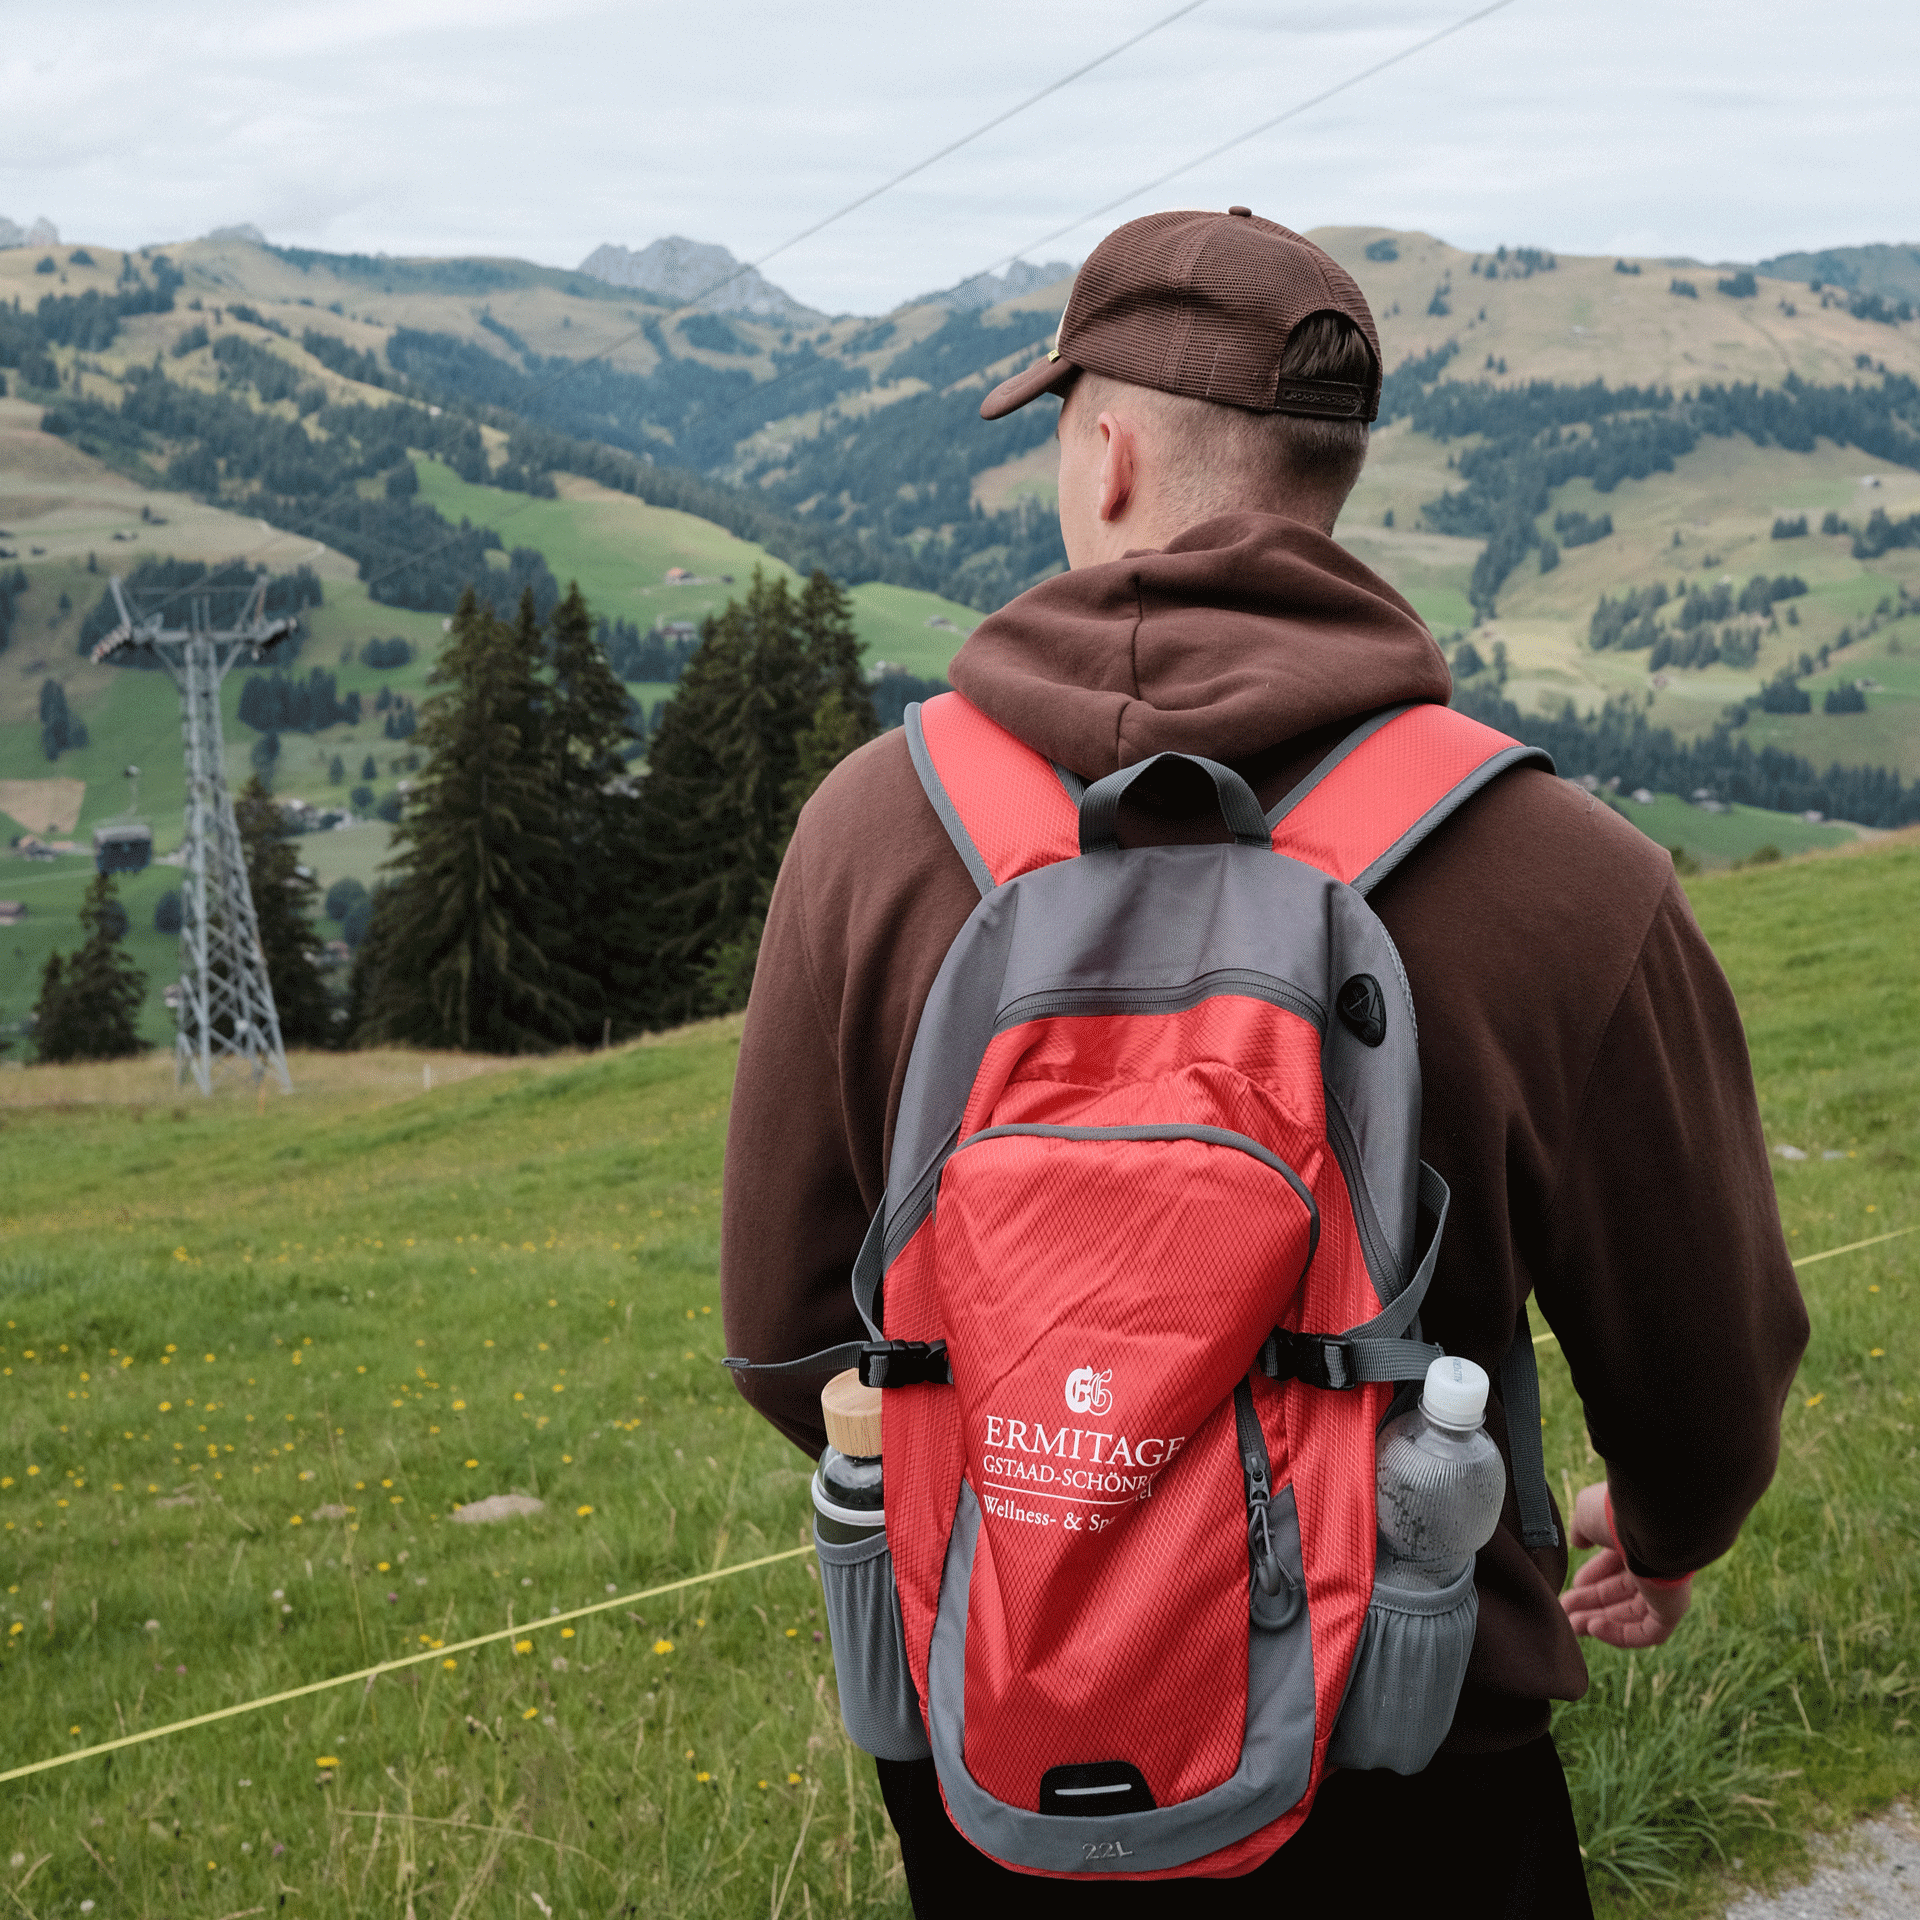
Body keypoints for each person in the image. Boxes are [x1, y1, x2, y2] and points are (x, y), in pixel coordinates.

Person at [720, 206, 1808, 1917]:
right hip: (1415, 1742)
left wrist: (1073, 1501)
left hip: (998, 1755)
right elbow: (1708, 1371)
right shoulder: (1568, 874)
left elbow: (789, 1339)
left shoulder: (872, 834)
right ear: (1330, 474)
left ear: (1109, 453)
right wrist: (1664, 1535)